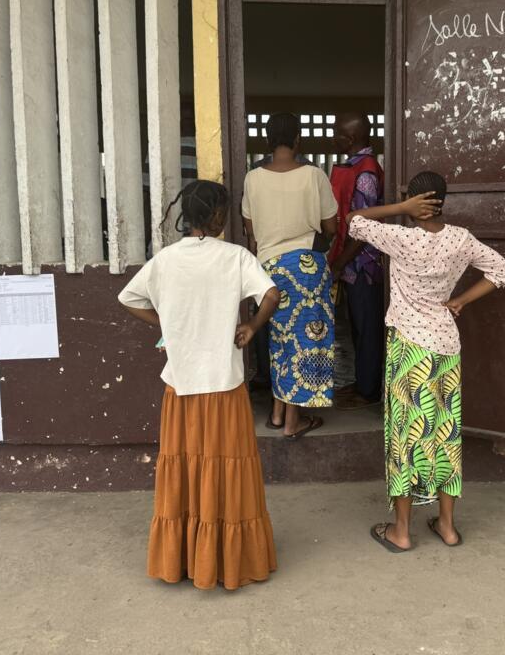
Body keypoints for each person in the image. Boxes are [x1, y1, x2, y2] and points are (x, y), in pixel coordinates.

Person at [118, 180, 280, 590]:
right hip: (223, 386)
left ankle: (186, 561)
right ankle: (227, 561)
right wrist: (251, 327)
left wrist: (168, 328)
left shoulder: (166, 261)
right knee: (227, 471)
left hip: (182, 385)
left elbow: (129, 299)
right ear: (217, 217)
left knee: (186, 469)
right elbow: (272, 295)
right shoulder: (236, 257)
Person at [346, 171, 505, 552]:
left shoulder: (401, 238)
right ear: (443, 200)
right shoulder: (461, 239)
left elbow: (354, 221)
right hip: (446, 345)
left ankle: (402, 532)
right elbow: (502, 270)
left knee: (406, 435)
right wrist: (461, 301)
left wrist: (399, 208)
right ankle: (448, 527)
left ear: (415, 200)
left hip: (409, 348)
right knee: (444, 433)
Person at [242, 112, 339, 439]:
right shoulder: (314, 175)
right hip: (307, 268)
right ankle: (293, 423)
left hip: (269, 269)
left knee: (280, 340)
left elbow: (250, 231)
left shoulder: (252, 178)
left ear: (268, 141)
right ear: (298, 140)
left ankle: (277, 411)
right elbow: (331, 227)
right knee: (306, 342)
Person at [328, 112, 386, 410]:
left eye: (337, 133)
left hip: (363, 265)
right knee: (357, 326)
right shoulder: (352, 167)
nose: (333, 137)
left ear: (349, 139)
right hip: (351, 262)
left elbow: (365, 230)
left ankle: (369, 390)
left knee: (367, 326)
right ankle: (364, 382)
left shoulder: (365, 172)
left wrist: (339, 263)